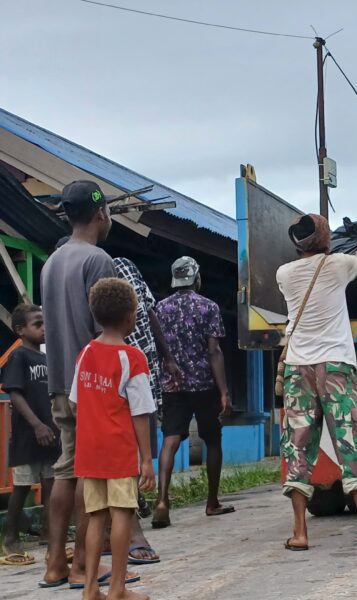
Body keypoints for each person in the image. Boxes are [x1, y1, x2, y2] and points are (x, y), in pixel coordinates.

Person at [277, 214, 357, 549]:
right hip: (336, 366)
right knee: (349, 440)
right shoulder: (339, 265)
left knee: (297, 445)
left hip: (298, 367)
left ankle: (300, 533)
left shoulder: (284, 274)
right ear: (324, 238)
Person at [40, 180, 118, 588]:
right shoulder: (98, 260)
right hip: (91, 385)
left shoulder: (51, 262)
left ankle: (54, 563)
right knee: (92, 475)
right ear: (101, 212)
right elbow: (105, 331)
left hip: (59, 384)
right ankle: (84, 566)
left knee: (66, 469)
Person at [72, 278, 156, 600]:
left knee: (96, 518)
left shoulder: (85, 354)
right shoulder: (132, 358)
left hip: (89, 451)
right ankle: (118, 589)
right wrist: (145, 459)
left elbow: (76, 402)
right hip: (118, 451)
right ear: (131, 316)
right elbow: (141, 413)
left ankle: (91, 589)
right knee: (122, 515)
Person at [151, 256, 232, 528]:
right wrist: (223, 391)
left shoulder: (160, 309)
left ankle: (162, 499)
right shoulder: (208, 306)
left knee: (170, 439)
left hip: (173, 385)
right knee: (213, 440)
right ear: (197, 278)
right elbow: (214, 351)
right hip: (204, 385)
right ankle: (212, 502)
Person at [112, 256, 180, 564]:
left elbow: (150, 312)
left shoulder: (126, 264)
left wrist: (165, 356)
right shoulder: (126, 357)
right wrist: (144, 462)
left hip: (141, 369)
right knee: (134, 442)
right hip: (132, 376)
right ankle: (134, 529)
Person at [1, 304, 58, 565]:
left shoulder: (46, 358)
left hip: (50, 433)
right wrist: (36, 425)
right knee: (22, 486)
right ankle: (10, 538)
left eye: (45, 323)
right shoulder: (19, 357)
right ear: (20, 330)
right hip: (28, 434)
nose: (44, 328)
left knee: (51, 484)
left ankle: (50, 533)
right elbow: (14, 392)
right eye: (38, 324)